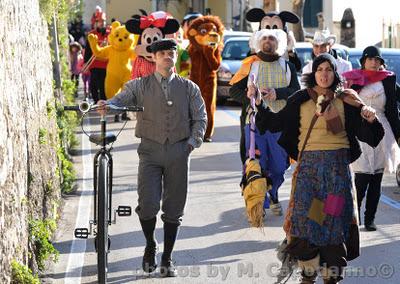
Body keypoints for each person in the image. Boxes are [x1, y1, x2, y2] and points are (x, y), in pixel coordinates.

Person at [255, 53, 384, 283]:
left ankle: (331, 276)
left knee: (334, 224)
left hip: (337, 176)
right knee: (309, 223)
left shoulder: (348, 100)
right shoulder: (300, 99)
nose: (324, 74)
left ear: (335, 74)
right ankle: (308, 274)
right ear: (313, 73)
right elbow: (274, 122)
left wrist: (371, 119)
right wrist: (258, 103)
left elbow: (371, 137)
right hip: (309, 176)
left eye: (329, 70)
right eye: (320, 69)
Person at [97, 39, 207, 277]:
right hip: (150, 151)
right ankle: (150, 244)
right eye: (163, 54)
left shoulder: (189, 88)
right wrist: (108, 105)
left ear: (175, 58)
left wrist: (191, 144)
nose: (167, 56)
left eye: (171, 53)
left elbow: (201, 118)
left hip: (179, 151)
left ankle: (167, 256)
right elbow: (119, 101)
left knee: (174, 207)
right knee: (147, 205)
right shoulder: (140, 85)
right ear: (154, 58)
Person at [230, 29, 300, 216]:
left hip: (280, 124)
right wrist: (250, 95)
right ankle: (259, 202)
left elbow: (297, 92)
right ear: (258, 42)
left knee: (279, 167)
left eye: (272, 38)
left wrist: (278, 93)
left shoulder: (288, 67)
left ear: (279, 43)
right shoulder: (249, 65)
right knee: (256, 165)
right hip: (254, 124)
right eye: (265, 38)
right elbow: (233, 91)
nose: (268, 41)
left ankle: (273, 192)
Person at [342, 46, 400, 231]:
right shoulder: (354, 79)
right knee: (362, 177)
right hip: (360, 130)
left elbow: (393, 108)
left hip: (383, 130)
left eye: (377, 59)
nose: (374, 62)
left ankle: (370, 219)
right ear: (364, 61)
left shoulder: (388, 80)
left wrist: (398, 132)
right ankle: (354, 217)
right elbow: (345, 104)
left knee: (377, 178)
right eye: (370, 59)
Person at [84, 7, 109, 103]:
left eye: (103, 21)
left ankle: (103, 103)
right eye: (100, 21)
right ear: (96, 22)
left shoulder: (110, 34)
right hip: (94, 63)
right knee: (93, 85)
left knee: (103, 85)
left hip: (106, 64)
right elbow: (88, 50)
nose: (102, 23)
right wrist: (86, 63)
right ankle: (96, 101)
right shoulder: (91, 34)